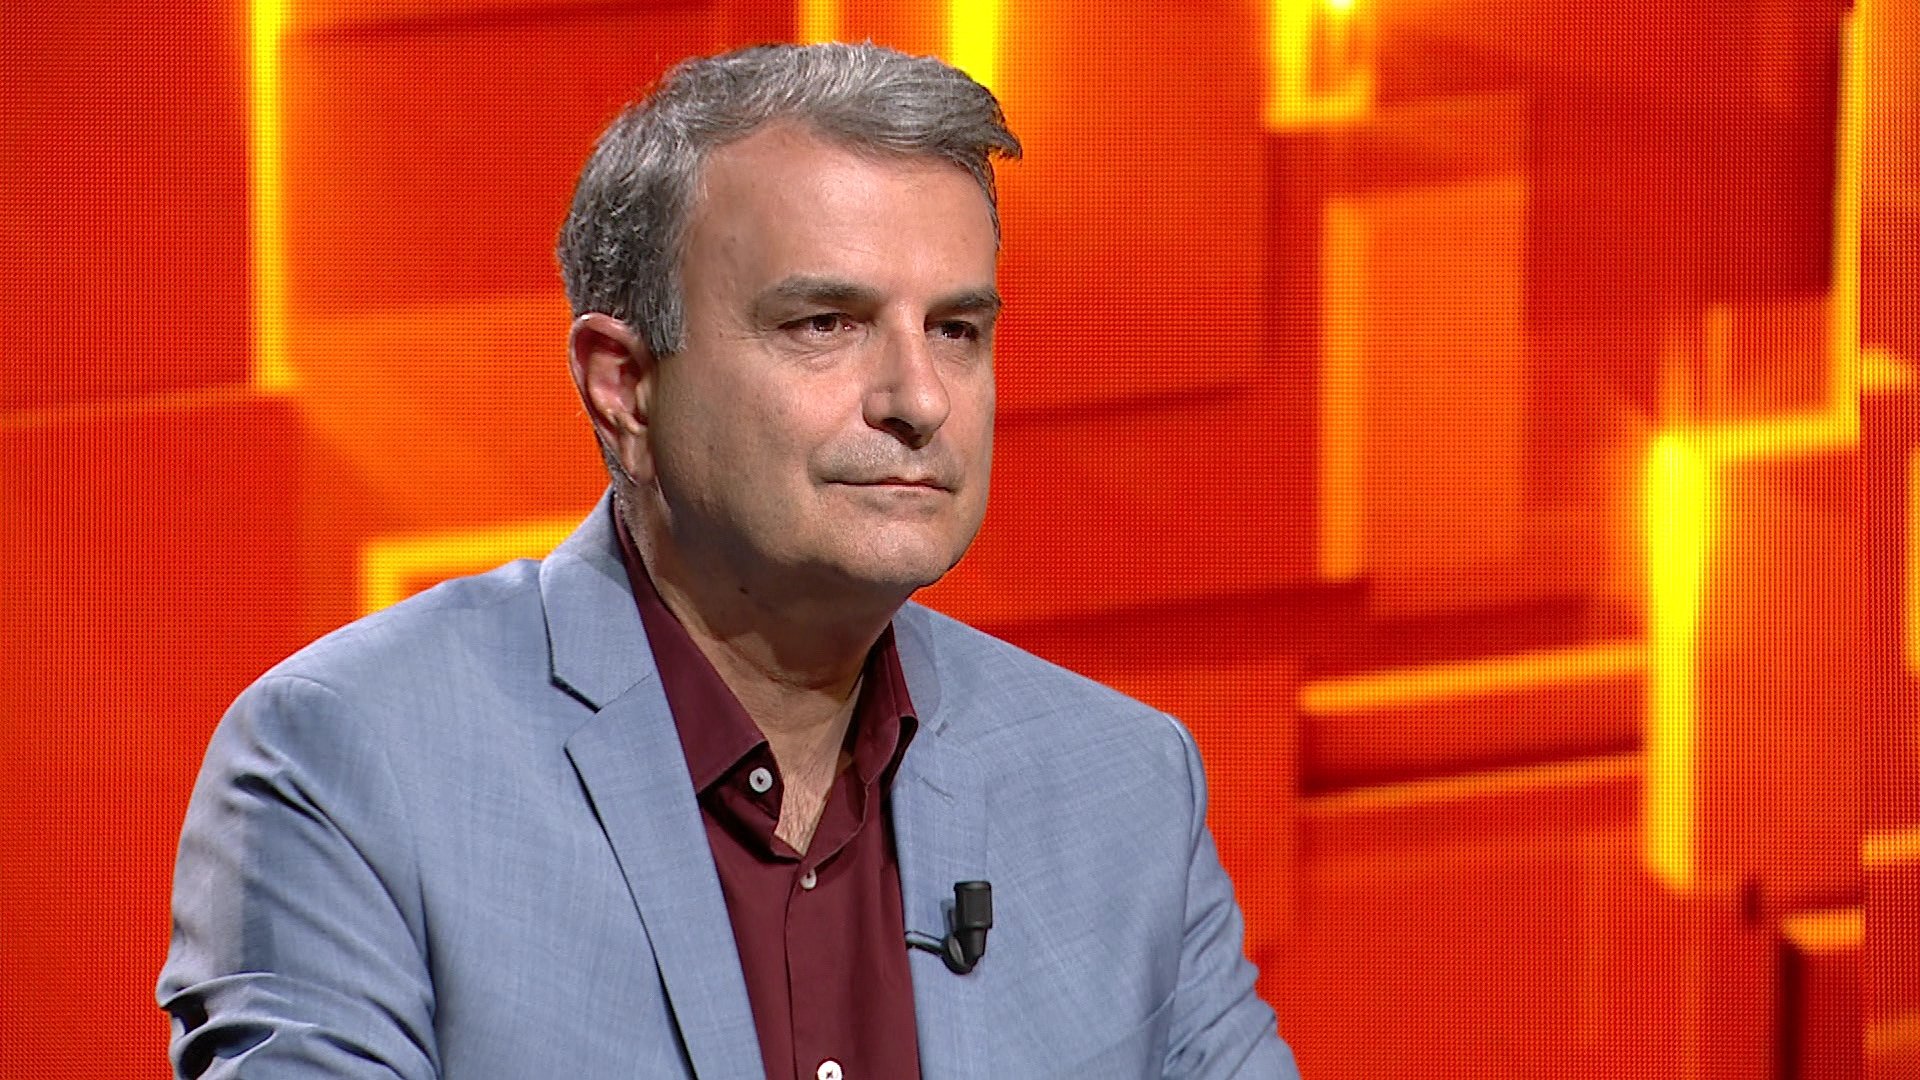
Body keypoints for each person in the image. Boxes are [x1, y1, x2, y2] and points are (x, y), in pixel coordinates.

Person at [157, 42, 1300, 1080]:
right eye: (825, 324)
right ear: (624, 385)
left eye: (955, 330)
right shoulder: (359, 762)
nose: (918, 400)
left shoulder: (1124, 786)